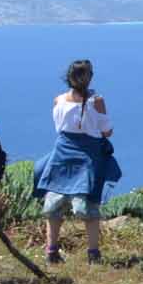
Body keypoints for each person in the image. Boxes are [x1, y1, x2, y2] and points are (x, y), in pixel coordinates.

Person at [35, 59, 121, 266]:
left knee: (54, 205)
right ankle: (93, 254)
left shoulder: (58, 100)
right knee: (90, 205)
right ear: (90, 77)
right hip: (89, 157)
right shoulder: (97, 101)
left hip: (61, 154)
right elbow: (107, 131)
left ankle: (51, 251)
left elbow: (59, 127)